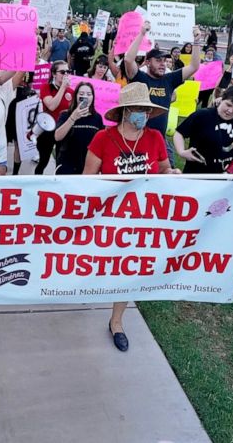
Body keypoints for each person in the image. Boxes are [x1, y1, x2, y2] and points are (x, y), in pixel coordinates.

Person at [84, 83, 175, 352]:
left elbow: (163, 169)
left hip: (142, 216)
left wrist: (172, 175)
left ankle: (117, 321)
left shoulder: (155, 138)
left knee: (128, 268)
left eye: (146, 110)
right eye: (137, 109)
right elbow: (87, 180)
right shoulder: (103, 138)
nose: (143, 115)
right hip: (108, 216)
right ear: (124, 111)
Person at [123, 22, 203, 165]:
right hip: (137, 138)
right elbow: (128, 59)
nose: (163, 64)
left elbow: (194, 66)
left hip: (160, 139)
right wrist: (141, 34)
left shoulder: (169, 79)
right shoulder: (140, 78)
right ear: (147, 62)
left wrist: (197, 41)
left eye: (165, 61)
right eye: (158, 60)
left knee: (166, 174)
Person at [174, 86, 233, 174]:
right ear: (221, 100)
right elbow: (179, 133)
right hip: (197, 173)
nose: (230, 111)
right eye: (228, 105)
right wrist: (181, 152)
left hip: (225, 176)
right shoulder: (202, 115)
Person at [54, 81, 104, 175]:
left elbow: (101, 143)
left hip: (88, 168)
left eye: (89, 94)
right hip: (67, 166)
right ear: (76, 96)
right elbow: (57, 136)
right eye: (81, 94)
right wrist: (73, 117)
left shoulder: (97, 118)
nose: (85, 96)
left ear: (93, 97)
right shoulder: (65, 115)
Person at [36, 61, 73, 174]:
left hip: (63, 130)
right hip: (48, 130)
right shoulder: (46, 87)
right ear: (54, 74)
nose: (65, 74)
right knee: (44, 160)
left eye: (68, 71)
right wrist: (62, 88)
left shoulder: (71, 91)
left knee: (61, 161)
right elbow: (51, 106)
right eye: (62, 72)